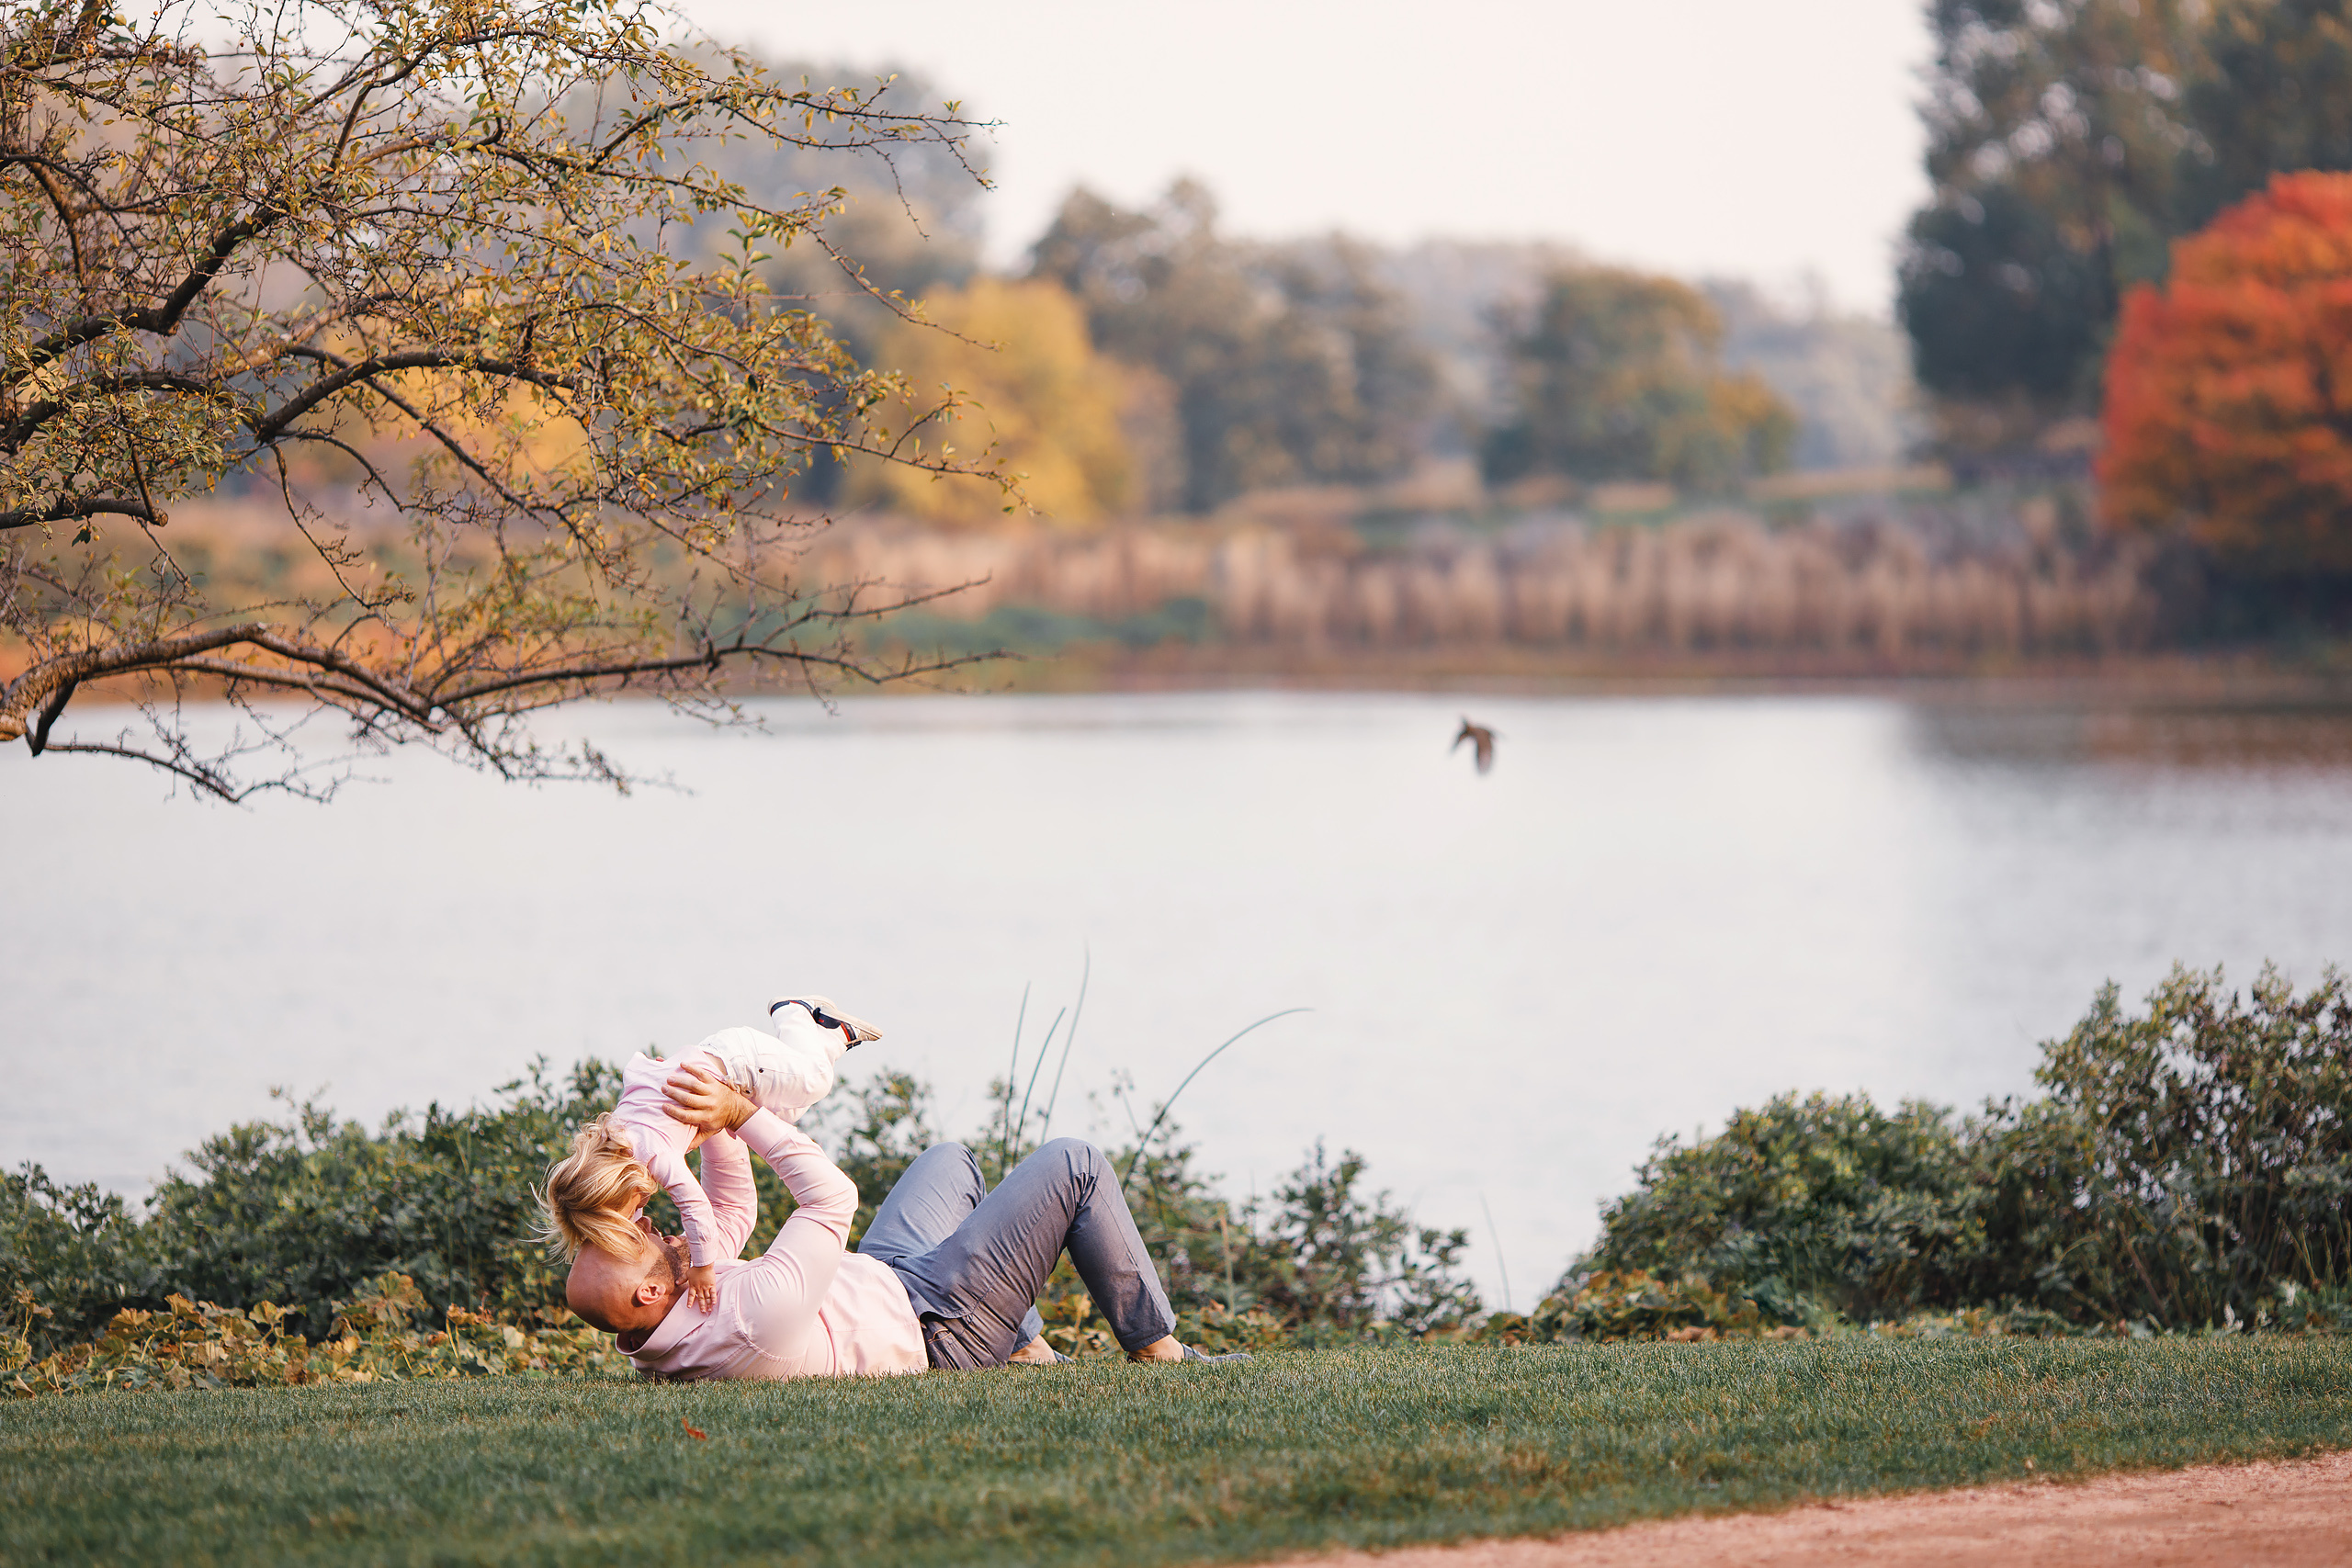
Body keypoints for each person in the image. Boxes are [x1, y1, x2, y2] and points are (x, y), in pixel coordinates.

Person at [564, 1059, 1242, 1378]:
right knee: (1076, 1163)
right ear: (648, 1291)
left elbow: (733, 1209)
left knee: (950, 1160)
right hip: (935, 1323)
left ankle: (1027, 1349)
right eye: (643, 1238)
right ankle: (1162, 1353)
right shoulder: (748, 1314)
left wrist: (703, 1112)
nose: (656, 1225)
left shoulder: (672, 1313)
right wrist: (744, 1115)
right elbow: (832, 1196)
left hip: (885, 1282)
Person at [538, 995, 879, 1312]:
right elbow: (638, 1077)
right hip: (714, 1064)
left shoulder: (656, 1156)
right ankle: (834, 1034)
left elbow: (697, 1208)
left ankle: (792, 1011)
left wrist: (703, 1267)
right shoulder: (616, 1137)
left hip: (737, 1064)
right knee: (786, 1112)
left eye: (628, 1217)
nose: (641, 1219)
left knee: (815, 1080)